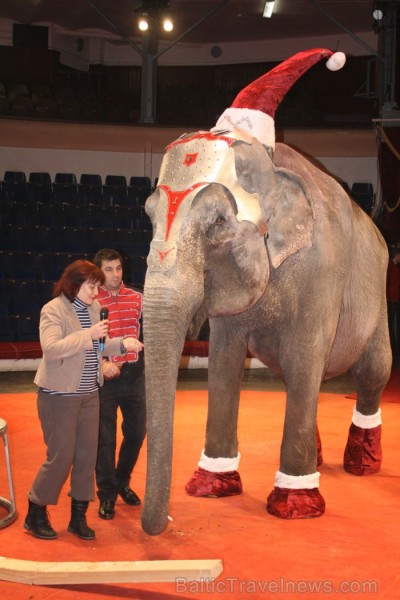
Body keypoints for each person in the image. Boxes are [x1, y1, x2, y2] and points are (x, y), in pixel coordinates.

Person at [24, 259, 143, 541]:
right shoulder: (53, 310)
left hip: (90, 393)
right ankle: (35, 511)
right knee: (61, 457)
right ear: (75, 284)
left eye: (97, 288)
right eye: (92, 287)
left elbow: (99, 346)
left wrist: (122, 343)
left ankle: (78, 517)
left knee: (86, 457)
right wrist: (88, 334)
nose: (96, 293)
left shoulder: (92, 309)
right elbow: (52, 349)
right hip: (59, 396)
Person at [93, 248, 146, 521]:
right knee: (105, 440)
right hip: (105, 378)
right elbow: (89, 340)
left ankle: (122, 480)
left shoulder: (138, 298)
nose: (115, 274)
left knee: (137, 432)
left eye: (119, 268)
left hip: (135, 374)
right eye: (109, 269)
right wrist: (103, 365)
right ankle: (107, 495)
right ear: (98, 272)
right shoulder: (91, 302)